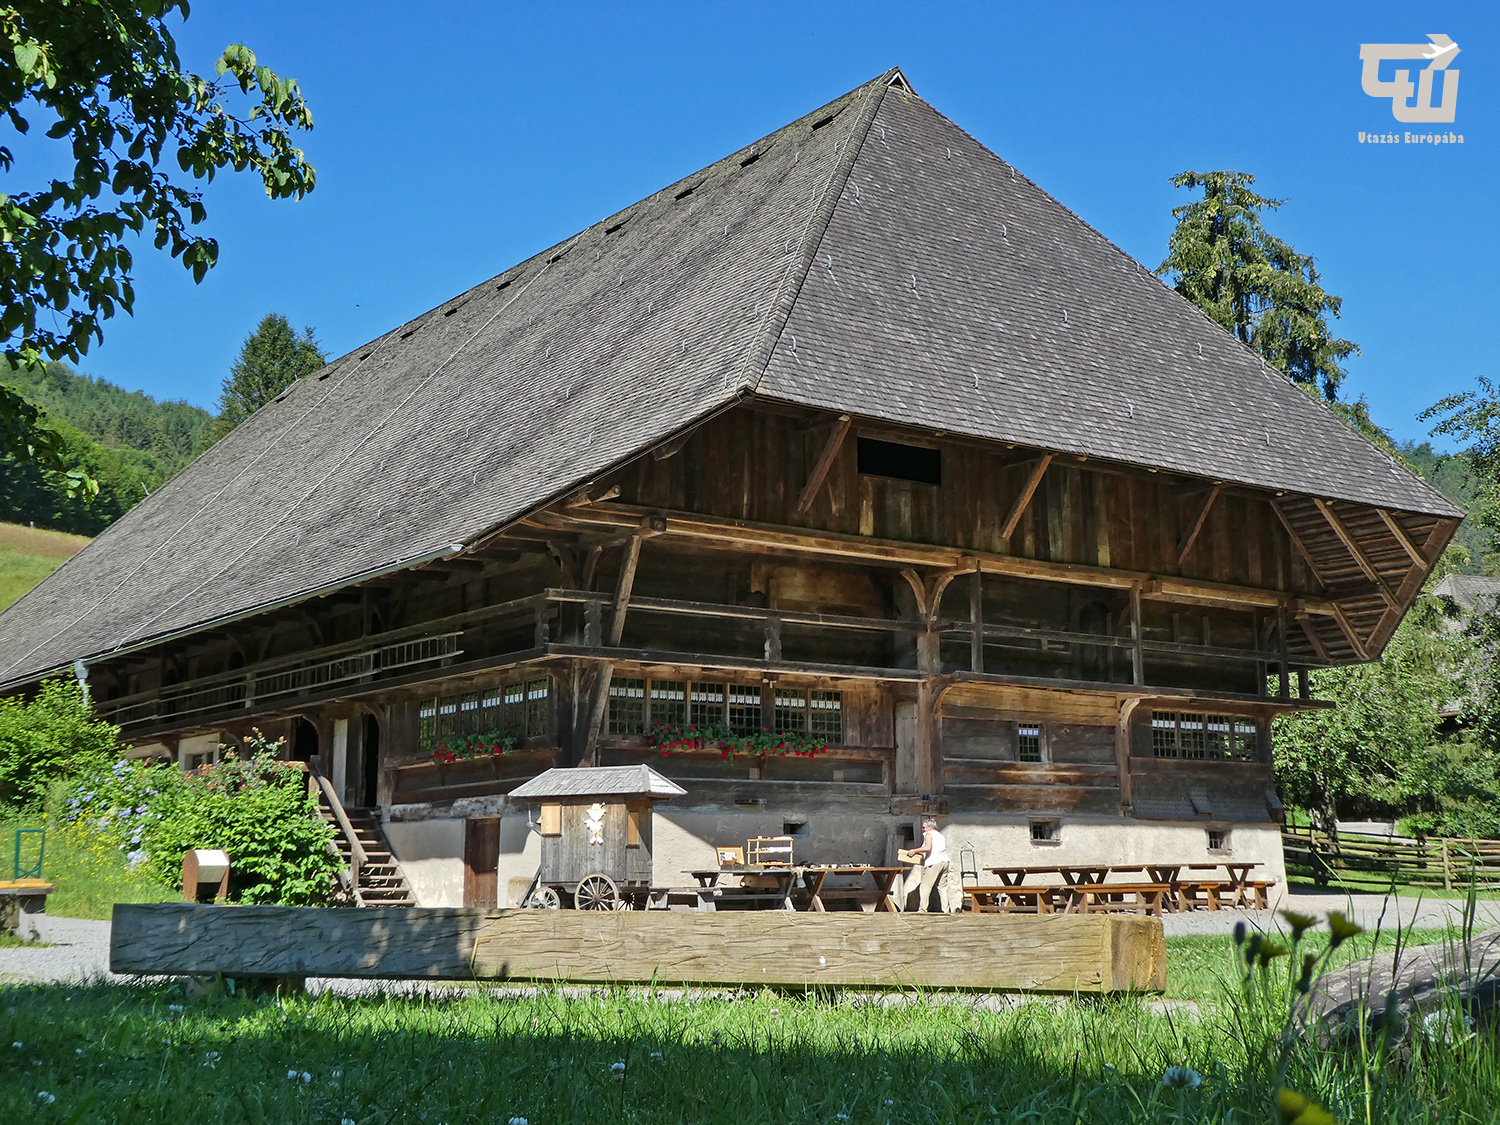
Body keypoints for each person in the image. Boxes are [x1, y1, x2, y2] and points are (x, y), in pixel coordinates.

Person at [899, 815, 950, 912]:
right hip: (944, 861)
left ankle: (923, 909)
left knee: (925, 887)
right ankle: (946, 910)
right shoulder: (940, 835)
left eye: (924, 827)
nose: (922, 830)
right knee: (942, 887)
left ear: (930, 827)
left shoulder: (929, 834)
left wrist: (914, 851)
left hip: (934, 862)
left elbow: (927, 848)